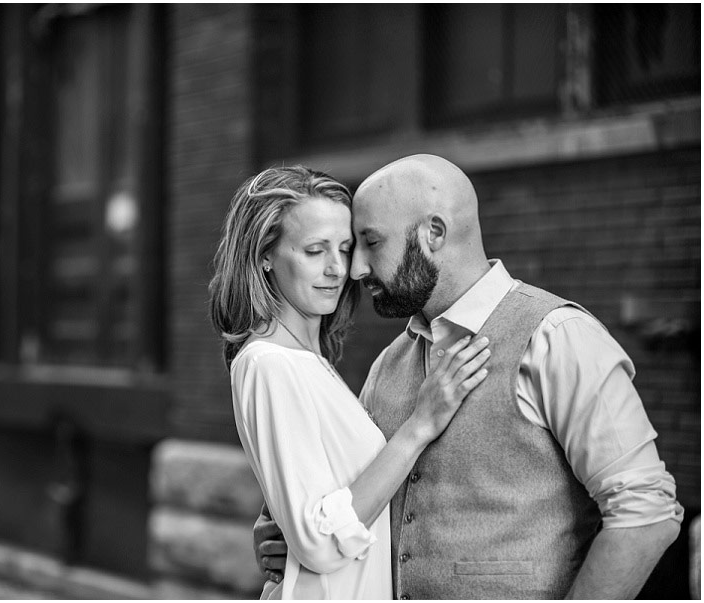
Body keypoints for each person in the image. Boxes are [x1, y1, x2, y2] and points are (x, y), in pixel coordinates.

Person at [254, 154, 684, 599]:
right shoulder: (389, 363)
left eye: (372, 242)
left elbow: (645, 516)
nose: (355, 269)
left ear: (433, 233)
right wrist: (283, 530)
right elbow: (343, 502)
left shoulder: (559, 337)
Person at [208, 166, 491, 599]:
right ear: (265, 256)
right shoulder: (270, 364)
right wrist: (420, 425)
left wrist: (280, 521)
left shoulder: (310, 362)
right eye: (314, 250)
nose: (337, 269)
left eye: (345, 248)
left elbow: (316, 509)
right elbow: (320, 542)